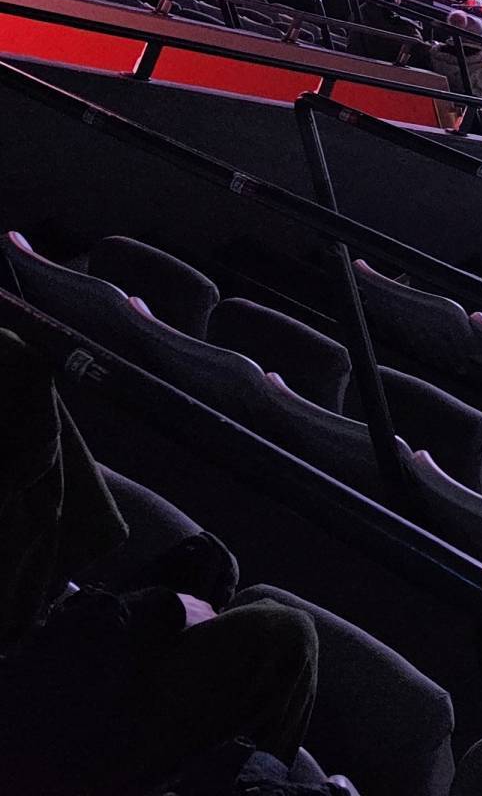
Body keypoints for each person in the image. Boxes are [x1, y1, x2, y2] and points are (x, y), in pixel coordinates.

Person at [0, 326, 322, 795]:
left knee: (207, 564)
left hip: (44, 659)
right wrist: (159, 610)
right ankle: (249, 779)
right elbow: (26, 690)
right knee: (286, 636)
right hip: (31, 741)